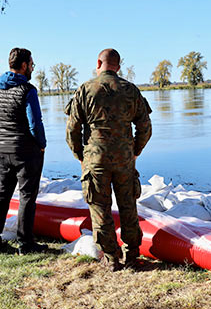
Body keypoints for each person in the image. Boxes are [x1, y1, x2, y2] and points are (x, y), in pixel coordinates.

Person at [65, 48, 152, 271]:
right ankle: (132, 255)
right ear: (118, 66)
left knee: (100, 208)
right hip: (124, 158)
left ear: (98, 63)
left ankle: (111, 258)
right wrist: (135, 151)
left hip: (96, 158)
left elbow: (72, 130)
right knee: (128, 206)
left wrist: (81, 156)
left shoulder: (85, 90)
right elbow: (145, 127)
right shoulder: (130, 90)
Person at [0, 48, 47, 255]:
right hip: (25, 151)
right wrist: (42, 144)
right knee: (27, 196)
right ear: (23, 65)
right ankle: (26, 243)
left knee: (2, 195)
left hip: (2, 150)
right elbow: (35, 123)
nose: (32, 67)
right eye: (31, 63)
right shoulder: (27, 90)